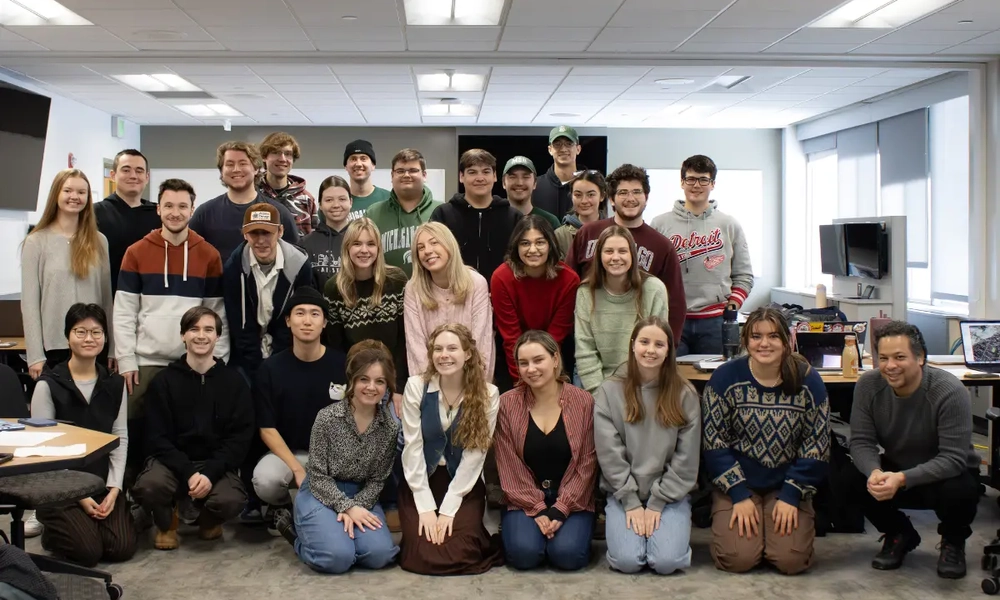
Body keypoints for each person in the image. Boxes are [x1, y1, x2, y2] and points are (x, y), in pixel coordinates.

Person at [115, 177, 228, 489]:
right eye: (168, 205)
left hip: (193, 362)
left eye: (182, 206)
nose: (175, 212)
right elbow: (124, 312)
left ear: (192, 209)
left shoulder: (208, 254)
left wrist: (219, 358)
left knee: (190, 432)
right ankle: (138, 498)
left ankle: (185, 498)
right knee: (136, 432)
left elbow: (217, 314)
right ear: (158, 209)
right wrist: (126, 359)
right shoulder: (136, 252)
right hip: (145, 362)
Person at [701, 307, 831, 575]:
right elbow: (714, 444)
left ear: (787, 340)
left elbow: (817, 445)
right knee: (738, 559)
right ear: (745, 340)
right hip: (738, 483)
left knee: (791, 562)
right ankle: (746, 533)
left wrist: (792, 493)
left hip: (786, 484)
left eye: (773, 336)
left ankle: (775, 533)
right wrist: (738, 493)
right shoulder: (725, 378)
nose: (764, 344)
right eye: (756, 336)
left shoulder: (808, 380)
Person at [847, 321, 980, 579]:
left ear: (920, 358)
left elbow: (954, 459)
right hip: (897, 467)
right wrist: (875, 471)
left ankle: (953, 542)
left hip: (944, 475)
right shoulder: (868, 386)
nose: (890, 366)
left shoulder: (949, 390)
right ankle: (899, 533)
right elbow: (861, 441)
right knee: (851, 478)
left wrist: (903, 478)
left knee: (960, 488)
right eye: (883, 358)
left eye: (899, 357)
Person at [132, 306, 253, 550]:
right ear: (182, 336)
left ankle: (207, 521)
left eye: (208, 329)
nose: (201, 335)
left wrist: (209, 474)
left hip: (214, 464)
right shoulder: (163, 382)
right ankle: (167, 523)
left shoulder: (234, 382)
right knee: (149, 486)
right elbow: (156, 438)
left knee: (232, 499)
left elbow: (239, 439)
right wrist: (188, 472)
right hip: (170, 463)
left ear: (217, 337)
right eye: (193, 329)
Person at [594, 316, 700, 574]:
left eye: (659, 344)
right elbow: (610, 455)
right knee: (627, 562)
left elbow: (686, 459)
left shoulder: (685, 394)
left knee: (666, 563)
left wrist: (657, 502)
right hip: (623, 494)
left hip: (669, 494)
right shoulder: (609, 391)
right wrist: (631, 501)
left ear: (668, 351)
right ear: (632, 345)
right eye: (644, 342)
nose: (650, 350)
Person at [30, 303, 135, 567]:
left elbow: (119, 436)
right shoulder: (48, 384)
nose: (89, 339)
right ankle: (52, 533)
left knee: (120, 548)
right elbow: (42, 449)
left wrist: (114, 488)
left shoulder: (115, 384)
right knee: (88, 553)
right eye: (81, 331)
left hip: (101, 484)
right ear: (68, 336)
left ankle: (95, 521)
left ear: (105, 338)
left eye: (96, 332)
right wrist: (80, 496)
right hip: (60, 489)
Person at [283, 344, 401, 574]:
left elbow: (378, 480)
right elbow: (317, 475)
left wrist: (355, 507)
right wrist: (346, 507)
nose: (371, 387)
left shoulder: (389, 427)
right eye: (364, 379)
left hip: (362, 495)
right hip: (321, 493)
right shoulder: (327, 418)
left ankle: (340, 539)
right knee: (336, 559)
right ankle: (298, 537)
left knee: (380, 555)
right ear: (352, 381)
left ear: (387, 386)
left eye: (379, 381)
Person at [398, 323, 503, 575]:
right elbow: (412, 448)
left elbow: (475, 456)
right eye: (438, 349)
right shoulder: (416, 387)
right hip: (422, 480)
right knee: (422, 555)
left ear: (467, 353)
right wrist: (425, 506)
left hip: (462, 483)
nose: (444, 355)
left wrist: (448, 509)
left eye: (452, 348)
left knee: (461, 552)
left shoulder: (488, 394)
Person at [495, 330, 596, 571]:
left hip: (573, 498)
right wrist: (538, 508)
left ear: (555, 359)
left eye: (538, 360)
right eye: (524, 363)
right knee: (523, 555)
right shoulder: (508, 404)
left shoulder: (583, 402)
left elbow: (587, 462)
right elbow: (509, 464)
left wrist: (561, 509)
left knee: (567, 556)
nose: (531, 369)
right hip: (524, 499)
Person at [253, 288, 347, 533]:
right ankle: (281, 505)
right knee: (266, 481)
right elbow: (266, 428)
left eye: (315, 314)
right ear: (288, 321)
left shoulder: (343, 365)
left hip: (332, 456)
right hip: (288, 455)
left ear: (324, 322)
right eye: (300, 313)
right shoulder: (270, 369)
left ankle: (306, 511)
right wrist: (295, 468)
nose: (307, 321)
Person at [567, 163, 686, 340]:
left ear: (646, 197)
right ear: (612, 199)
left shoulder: (662, 246)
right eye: (623, 192)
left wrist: (668, 345)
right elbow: (569, 285)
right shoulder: (588, 233)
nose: (630, 198)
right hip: (591, 339)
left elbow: (675, 303)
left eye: (637, 192)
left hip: (639, 344)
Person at [650, 155, 754, 355]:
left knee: (713, 378)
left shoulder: (729, 225)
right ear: (682, 182)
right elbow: (650, 275)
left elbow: (744, 274)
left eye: (703, 180)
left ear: (712, 184)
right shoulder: (660, 224)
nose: (696, 185)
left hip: (716, 321)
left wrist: (732, 304)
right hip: (672, 319)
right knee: (672, 381)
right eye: (690, 179)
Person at [22, 169, 114, 381]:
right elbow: (29, 303)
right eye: (68, 190)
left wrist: (112, 348)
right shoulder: (36, 242)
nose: (75, 196)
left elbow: (106, 300)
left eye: (81, 192)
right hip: (53, 346)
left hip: (93, 345)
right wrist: (34, 354)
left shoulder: (99, 241)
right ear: (56, 194)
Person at [222, 203, 314, 381]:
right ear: (244, 234)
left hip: (287, 354)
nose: (261, 240)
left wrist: (277, 364)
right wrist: (256, 369)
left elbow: (297, 319)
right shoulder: (234, 267)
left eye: (266, 233)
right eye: (254, 233)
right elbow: (240, 326)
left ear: (280, 232)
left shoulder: (300, 265)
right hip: (245, 358)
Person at [574, 226, 668, 393]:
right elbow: (585, 351)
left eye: (622, 251)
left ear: (632, 254)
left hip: (644, 387)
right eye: (609, 251)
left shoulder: (654, 290)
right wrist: (600, 395)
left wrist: (638, 393)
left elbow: (657, 349)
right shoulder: (585, 293)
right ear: (599, 256)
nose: (615, 257)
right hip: (599, 389)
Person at [491, 215, 579, 390]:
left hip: (554, 355)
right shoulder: (501, 277)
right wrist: (523, 384)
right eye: (525, 243)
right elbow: (511, 337)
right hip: (513, 360)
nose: (533, 249)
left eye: (540, 242)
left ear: (550, 245)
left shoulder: (569, 279)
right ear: (516, 247)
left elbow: (557, 335)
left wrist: (545, 380)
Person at [324, 218, 409, 396]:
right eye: (357, 244)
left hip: (393, 380)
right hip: (355, 382)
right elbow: (335, 345)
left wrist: (399, 387)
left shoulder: (397, 280)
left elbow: (404, 340)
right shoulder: (334, 288)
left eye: (371, 244)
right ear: (347, 247)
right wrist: (348, 387)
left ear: (379, 248)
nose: (364, 250)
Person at [404, 222, 494, 381]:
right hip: (430, 384)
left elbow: (482, 344)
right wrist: (432, 390)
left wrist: (474, 386)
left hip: (472, 383)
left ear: (449, 244)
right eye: (421, 247)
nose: (428, 251)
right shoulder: (413, 289)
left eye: (434, 242)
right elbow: (415, 347)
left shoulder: (476, 283)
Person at [189, 141, 298, 261]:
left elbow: (294, 259)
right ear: (221, 171)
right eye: (230, 164)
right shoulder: (204, 213)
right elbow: (190, 257)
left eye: (243, 163)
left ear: (256, 169)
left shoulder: (278, 212)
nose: (236, 169)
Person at [430, 149, 523, 284]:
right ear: (461, 176)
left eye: (486, 172)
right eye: (472, 172)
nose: (480, 178)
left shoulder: (514, 217)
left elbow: (520, 261)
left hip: (501, 295)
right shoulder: (443, 214)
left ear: (495, 176)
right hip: (455, 294)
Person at [366, 148, 442, 276]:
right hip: (386, 292)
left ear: (424, 175)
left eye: (413, 170)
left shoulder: (441, 210)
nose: (406, 175)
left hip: (431, 292)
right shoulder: (373, 213)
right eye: (400, 171)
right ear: (392, 176)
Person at [94, 149, 160, 294]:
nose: (133, 176)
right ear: (113, 175)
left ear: (147, 177)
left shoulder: (159, 214)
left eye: (139, 171)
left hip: (150, 299)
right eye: (126, 170)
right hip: (107, 298)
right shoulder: (95, 213)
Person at [257, 132, 317, 238]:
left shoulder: (306, 199)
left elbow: (315, 238)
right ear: (264, 157)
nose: (282, 159)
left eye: (288, 154)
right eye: (276, 152)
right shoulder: (252, 194)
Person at [301, 175, 352, 290]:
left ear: (351, 202)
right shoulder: (306, 244)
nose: (336, 205)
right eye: (329, 200)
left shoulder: (361, 241)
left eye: (342, 199)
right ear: (321, 205)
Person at [554, 170, 606, 260]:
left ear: (602, 196)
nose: (584, 201)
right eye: (578, 195)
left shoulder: (613, 230)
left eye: (591, 195)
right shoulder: (560, 235)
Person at [534, 125, 584, 218]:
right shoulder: (536, 186)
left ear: (578, 149)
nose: (563, 149)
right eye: (557, 144)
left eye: (569, 143)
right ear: (550, 150)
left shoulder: (589, 186)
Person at [501, 156, 560, 230]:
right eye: (512, 177)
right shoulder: (494, 219)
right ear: (504, 183)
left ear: (535, 183)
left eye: (526, 177)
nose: (520, 183)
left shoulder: (550, 221)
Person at [344, 139, 391, 220]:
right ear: (346, 166)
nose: (358, 164)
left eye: (363, 158)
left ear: (373, 165)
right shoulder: (339, 202)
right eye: (353, 159)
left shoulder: (389, 199)